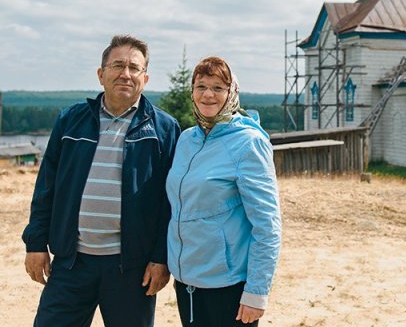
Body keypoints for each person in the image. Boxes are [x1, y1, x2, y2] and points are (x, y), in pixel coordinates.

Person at [22, 34, 181, 327]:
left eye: (135, 68)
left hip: (131, 268)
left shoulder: (165, 130)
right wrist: (35, 243)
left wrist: (162, 258)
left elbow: (169, 203)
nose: (126, 73)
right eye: (118, 65)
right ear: (101, 74)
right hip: (71, 262)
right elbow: (46, 188)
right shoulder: (70, 120)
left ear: (145, 78)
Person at [166, 56, 281, 326]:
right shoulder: (186, 139)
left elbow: (267, 225)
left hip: (229, 287)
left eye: (218, 87)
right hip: (187, 283)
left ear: (232, 93)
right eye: (201, 86)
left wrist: (256, 292)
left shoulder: (249, 144)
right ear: (192, 92)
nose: (208, 94)